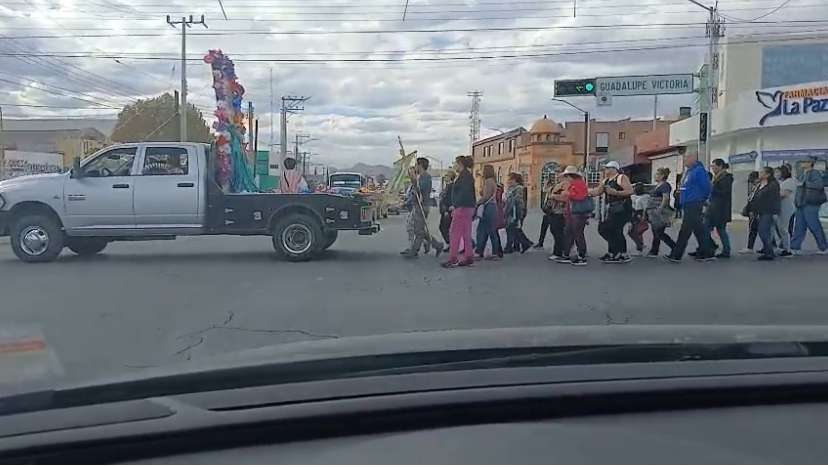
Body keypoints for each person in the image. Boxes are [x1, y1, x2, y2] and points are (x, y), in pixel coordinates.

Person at [664, 151, 714, 263]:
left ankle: (677, 254)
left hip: (694, 203)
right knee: (698, 229)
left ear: (693, 158)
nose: (684, 160)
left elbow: (706, 186)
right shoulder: (689, 172)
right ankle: (707, 251)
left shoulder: (699, 171)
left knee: (685, 230)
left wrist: (703, 199)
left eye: (687, 158)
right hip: (688, 203)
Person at [590, 160, 634, 264]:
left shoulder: (621, 177)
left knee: (616, 229)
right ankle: (613, 251)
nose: (606, 170)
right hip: (612, 208)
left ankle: (622, 253)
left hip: (622, 208)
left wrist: (616, 192)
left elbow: (630, 191)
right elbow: (597, 191)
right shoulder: (606, 180)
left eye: (608, 168)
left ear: (614, 169)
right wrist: (584, 192)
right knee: (604, 228)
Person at [401, 158, 443, 259]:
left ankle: (415, 250)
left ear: (420, 165)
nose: (415, 167)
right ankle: (436, 245)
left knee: (419, 231)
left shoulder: (426, 177)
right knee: (419, 230)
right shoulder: (421, 176)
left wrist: (414, 179)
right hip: (418, 205)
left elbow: (421, 190)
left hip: (422, 206)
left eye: (416, 165)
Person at [442, 156, 476, 268]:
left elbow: (463, 193)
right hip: (467, 207)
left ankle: (453, 258)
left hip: (462, 207)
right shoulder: (467, 175)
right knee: (466, 233)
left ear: (460, 163)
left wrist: (455, 205)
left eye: (455, 163)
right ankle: (469, 256)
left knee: (454, 233)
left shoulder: (464, 176)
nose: (454, 165)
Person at [553, 166, 590, 266]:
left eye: (566, 176)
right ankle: (567, 254)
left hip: (579, 213)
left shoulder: (579, 184)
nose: (565, 178)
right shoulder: (573, 184)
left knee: (577, 233)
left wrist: (568, 193)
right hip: (572, 213)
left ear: (570, 176)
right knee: (568, 232)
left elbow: (581, 196)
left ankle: (581, 255)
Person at [791, 157, 828, 255]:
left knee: (814, 226)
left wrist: (805, 183)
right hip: (800, 203)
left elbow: (819, 185)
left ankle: (824, 247)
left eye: (804, 161)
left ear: (810, 163)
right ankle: (795, 247)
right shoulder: (802, 174)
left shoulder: (814, 173)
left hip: (810, 203)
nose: (802, 163)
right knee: (799, 226)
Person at [747, 167, 781, 261]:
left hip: (768, 211)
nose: (760, 174)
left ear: (768, 174)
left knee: (763, 231)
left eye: (762, 172)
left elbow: (771, 199)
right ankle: (768, 250)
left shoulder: (773, 184)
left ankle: (769, 252)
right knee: (763, 231)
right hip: (760, 211)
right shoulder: (760, 184)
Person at [705, 158, 734, 259]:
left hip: (720, 208)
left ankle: (721, 249)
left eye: (714, 166)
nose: (712, 168)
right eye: (712, 166)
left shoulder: (726, 178)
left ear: (720, 166)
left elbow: (724, 193)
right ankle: (722, 249)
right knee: (718, 229)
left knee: (713, 229)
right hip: (714, 207)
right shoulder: (717, 177)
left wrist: (711, 188)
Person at [645, 167, 676, 257]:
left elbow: (666, 198)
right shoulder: (658, 185)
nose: (655, 175)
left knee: (659, 232)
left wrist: (660, 208)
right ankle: (654, 251)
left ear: (662, 176)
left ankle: (674, 247)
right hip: (653, 212)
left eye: (657, 174)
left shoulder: (665, 185)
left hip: (660, 212)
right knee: (656, 231)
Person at [474, 164, 503, 260]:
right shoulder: (493, 181)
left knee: (484, 230)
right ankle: (483, 251)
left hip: (488, 207)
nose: (481, 172)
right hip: (492, 207)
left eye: (483, 170)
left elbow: (486, 196)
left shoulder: (488, 181)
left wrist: (477, 203)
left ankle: (482, 252)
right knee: (488, 230)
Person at [536, 176, 568, 259]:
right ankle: (561, 250)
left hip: (558, 212)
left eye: (559, 175)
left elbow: (564, 198)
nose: (557, 177)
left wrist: (553, 196)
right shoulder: (558, 186)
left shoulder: (563, 186)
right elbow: (545, 190)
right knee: (554, 230)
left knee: (558, 232)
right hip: (553, 211)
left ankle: (559, 252)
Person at [504, 173, 533, 254]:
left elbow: (518, 201)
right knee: (515, 229)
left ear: (515, 180)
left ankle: (522, 244)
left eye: (510, 179)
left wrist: (519, 215)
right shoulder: (512, 188)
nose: (508, 181)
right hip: (511, 211)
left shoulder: (519, 188)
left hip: (516, 212)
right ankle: (518, 246)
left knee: (512, 228)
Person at [775, 164, 796, 257]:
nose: (776, 174)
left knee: (783, 228)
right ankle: (783, 246)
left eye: (778, 172)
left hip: (787, 207)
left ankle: (787, 249)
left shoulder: (790, 181)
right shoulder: (781, 182)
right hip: (781, 207)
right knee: (780, 228)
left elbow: (784, 194)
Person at [739, 171, 761, 254]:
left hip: (756, 212)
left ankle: (750, 247)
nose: (752, 183)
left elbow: (755, 200)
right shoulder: (754, 187)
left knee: (757, 229)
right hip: (753, 211)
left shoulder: (759, 187)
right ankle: (750, 247)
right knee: (754, 229)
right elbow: (750, 200)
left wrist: (752, 210)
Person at [627, 183, 650, 256]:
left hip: (639, 214)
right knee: (635, 232)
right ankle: (640, 244)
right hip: (634, 214)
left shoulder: (645, 197)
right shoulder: (633, 196)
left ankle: (639, 248)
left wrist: (643, 216)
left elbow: (645, 207)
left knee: (634, 232)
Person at [438, 170, 456, 251]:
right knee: (445, 228)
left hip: (447, 211)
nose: (445, 177)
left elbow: (449, 199)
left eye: (447, 176)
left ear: (450, 177)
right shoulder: (447, 186)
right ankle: (450, 243)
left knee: (444, 227)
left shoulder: (451, 186)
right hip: (444, 210)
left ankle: (451, 243)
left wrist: (446, 210)